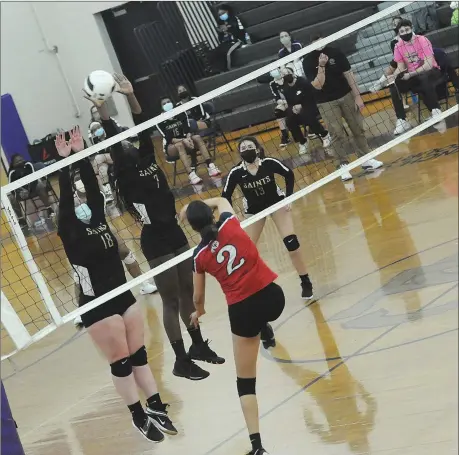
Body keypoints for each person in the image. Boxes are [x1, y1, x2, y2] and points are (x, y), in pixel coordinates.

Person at [92, 75, 225, 380]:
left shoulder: (146, 156)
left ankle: (198, 345)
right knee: (171, 299)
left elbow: (142, 121)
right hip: (154, 239)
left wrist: (131, 94)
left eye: (129, 138)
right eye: (120, 141)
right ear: (115, 153)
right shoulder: (123, 172)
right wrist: (103, 106)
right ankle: (180, 360)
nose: (127, 140)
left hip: (175, 232)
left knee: (188, 291)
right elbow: (112, 131)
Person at [54, 127, 176, 443]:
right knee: (121, 362)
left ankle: (157, 406)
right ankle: (138, 416)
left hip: (123, 296)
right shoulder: (69, 230)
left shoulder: (96, 220)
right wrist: (63, 163)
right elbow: (67, 202)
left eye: (84, 201)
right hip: (98, 305)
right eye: (76, 202)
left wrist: (82, 156)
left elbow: (93, 191)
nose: (82, 203)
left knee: (139, 356)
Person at [181, 196, 286, 455]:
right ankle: (265, 327)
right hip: (273, 297)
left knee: (245, 383)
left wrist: (200, 312)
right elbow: (221, 199)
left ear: (193, 228)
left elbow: (197, 297)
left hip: (243, 311)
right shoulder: (229, 222)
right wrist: (194, 206)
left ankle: (257, 447)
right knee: (261, 315)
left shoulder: (200, 256)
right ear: (211, 215)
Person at [222, 136, 314, 300]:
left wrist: (288, 198)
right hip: (254, 211)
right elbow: (225, 196)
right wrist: (231, 214)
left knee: (291, 242)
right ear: (239, 154)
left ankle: (305, 281)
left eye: (250, 146)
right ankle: (254, 287)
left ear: (257, 149)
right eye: (243, 148)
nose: (246, 150)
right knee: (246, 252)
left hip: (276, 204)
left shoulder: (269, 163)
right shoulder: (236, 173)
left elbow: (289, 174)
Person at [303, 34, 383, 181]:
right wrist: (321, 65)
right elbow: (317, 85)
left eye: (322, 41)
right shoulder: (307, 61)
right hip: (326, 101)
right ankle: (343, 165)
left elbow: (349, 75)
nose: (320, 45)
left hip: (346, 95)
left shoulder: (336, 52)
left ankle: (365, 159)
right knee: (337, 133)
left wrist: (358, 96)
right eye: (316, 43)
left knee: (357, 127)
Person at [71, 169, 157, 300]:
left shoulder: (97, 194)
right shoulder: (70, 201)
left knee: (123, 250)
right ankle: (80, 309)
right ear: (74, 184)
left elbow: (100, 216)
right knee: (81, 269)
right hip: (81, 234)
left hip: (101, 227)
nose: (80, 182)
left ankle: (143, 283)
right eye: (77, 180)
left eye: (81, 178)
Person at [387, 19, 446, 133]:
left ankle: (436, 110)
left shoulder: (422, 40)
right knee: (394, 85)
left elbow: (429, 64)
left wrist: (411, 74)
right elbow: (400, 66)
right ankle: (402, 120)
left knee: (423, 77)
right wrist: (394, 76)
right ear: (398, 33)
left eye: (407, 30)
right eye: (402, 31)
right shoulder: (398, 46)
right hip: (413, 76)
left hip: (432, 72)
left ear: (411, 28)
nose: (405, 33)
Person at [156, 96, 221, 185]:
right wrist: (184, 140)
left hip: (186, 140)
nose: (167, 104)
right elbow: (169, 139)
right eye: (164, 103)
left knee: (197, 137)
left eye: (168, 101)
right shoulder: (159, 120)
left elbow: (187, 130)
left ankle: (210, 166)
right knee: (180, 145)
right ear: (161, 107)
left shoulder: (180, 112)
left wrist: (189, 138)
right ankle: (191, 175)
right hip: (171, 147)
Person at [279, 65, 332, 158]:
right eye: (282, 74)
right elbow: (289, 102)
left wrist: (301, 105)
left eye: (286, 73)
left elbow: (311, 96)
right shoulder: (286, 88)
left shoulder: (302, 82)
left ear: (292, 73)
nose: (284, 75)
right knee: (289, 120)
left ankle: (324, 135)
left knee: (306, 115)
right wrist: (293, 108)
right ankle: (302, 142)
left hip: (310, 105)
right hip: (297, 109)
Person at [7, 154, 55, 227]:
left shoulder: (28, 165)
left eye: (21, 159)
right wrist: (19, 193)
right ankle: (21, 220)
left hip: (33, 188)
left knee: (40, 186)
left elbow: (34, 179)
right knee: (11, 197)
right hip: (21, 193)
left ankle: (49, 209)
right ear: (13, 164)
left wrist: (28, 190)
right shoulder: (12, 172)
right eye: (17, 161)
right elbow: (12, 188)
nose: (20, 162)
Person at [213, 3, 246, 72]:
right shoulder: (220, 23)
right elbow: (220, 37)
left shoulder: (235, 19)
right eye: (220, 14)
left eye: (223, 13)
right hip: (225, 42)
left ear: (228, 11)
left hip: (236, 40)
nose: (222, 15)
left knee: (227, 52)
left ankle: (228, 68)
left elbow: (241, 31)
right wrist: (221, 32)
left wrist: (229, 29)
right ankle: (218, 69)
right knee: (216, 52)